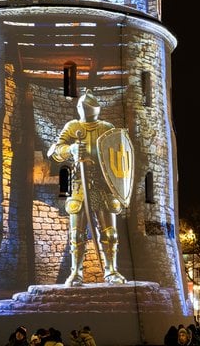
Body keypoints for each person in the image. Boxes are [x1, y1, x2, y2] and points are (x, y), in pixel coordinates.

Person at [47, 89, 128, 286]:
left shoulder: (107, 128)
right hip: (79, 186)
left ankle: (111, 271)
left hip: (103, 184)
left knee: (110, 233)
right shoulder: (72, 126)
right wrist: (71, 149)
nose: (84, 108)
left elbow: (120, 156)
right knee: (76, 234)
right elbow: (55, 151)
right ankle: (76, 272)